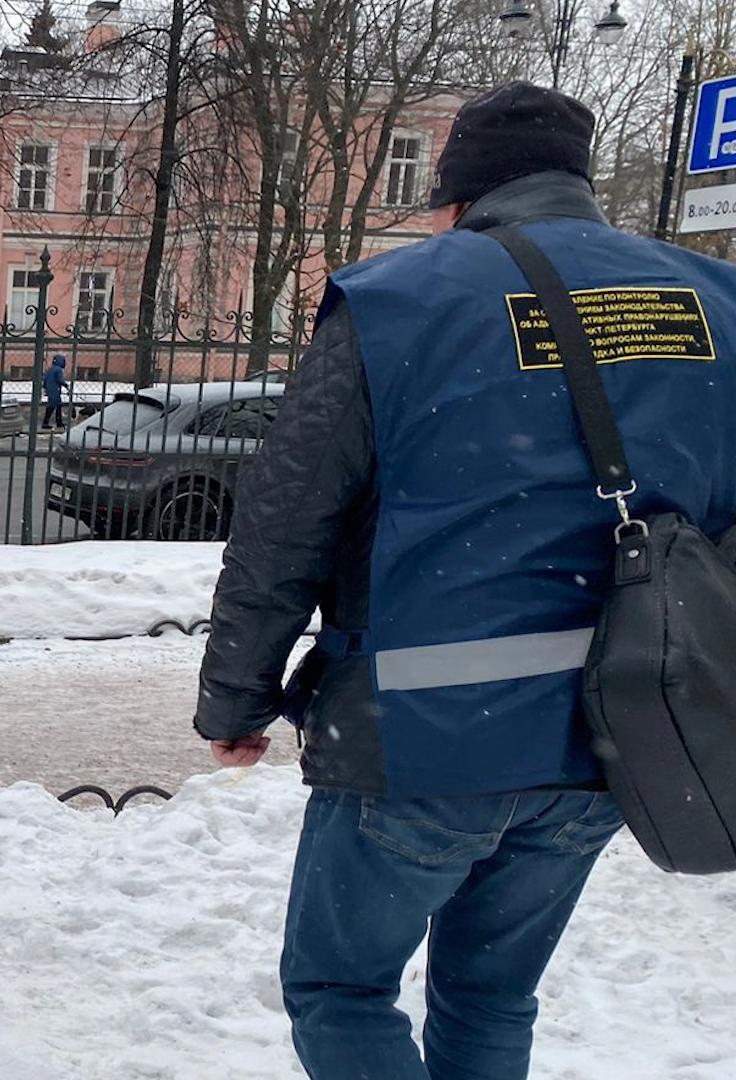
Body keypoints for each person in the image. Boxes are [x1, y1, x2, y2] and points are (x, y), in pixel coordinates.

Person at [193, 82, 736, 1080]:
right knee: (490, 994)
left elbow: (286, 513)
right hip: (616, 731)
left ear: (461, 195)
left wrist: (239, 696)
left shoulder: (402, 299)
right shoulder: (713, 301)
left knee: (341, 989)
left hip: (421, 728)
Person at [42, 353, 70, 428]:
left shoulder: (50, 369)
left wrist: (45, 388)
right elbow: (60, 380)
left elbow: (45, 379)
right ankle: (46, 423)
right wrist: (66, 385)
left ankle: (59, 422)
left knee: (57, 406)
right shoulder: (58, 370)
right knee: (52, 406)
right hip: (55, 390)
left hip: (50, 389)